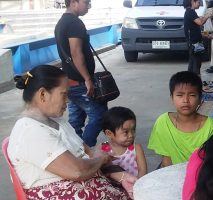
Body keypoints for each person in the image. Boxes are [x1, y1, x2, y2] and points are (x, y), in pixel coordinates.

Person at [9, 65, 136, 199]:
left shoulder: (57, 121)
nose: (68, 100)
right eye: (63, 94)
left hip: (91, 186)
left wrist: (120, 176)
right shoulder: (30, 131)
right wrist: (100, 158)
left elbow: (87, 152)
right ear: (43, 94)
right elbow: (77, 171)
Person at [55, 0, 107, 147]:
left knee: (75, 120)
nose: (88, 6)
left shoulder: (61, 23)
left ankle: (74, 150)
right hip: (80, 82)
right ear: (73, 2)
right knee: (100, 116)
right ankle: (85, 151)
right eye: (86, 2)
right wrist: (87, 78)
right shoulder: (75, 23)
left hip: (69, 81)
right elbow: (76, 53)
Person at [148, 71, 213, 168]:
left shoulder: (211, 127)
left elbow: (212, 163)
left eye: (192, 95)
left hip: (201, 176)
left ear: (200, 98)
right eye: (180, 95)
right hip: (172, 174)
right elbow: (166, 160)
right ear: (171, 98)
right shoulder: (163, 122)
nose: (185, 100)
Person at [99, 106, 148, 178]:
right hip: (112, 188)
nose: (131, 135)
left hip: (135, 185)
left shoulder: (136, 148)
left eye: (133, 130)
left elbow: (143, 171)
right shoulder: (102, 150)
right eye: (126, 132)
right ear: (109, 133)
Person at [184, 0, 213, 75]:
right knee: (196, 64)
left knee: (194, 63)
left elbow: (194, 28)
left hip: (194, 42)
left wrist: (204, 34)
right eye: (198, 2)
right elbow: (200, 22)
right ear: (192, 2)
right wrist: (207, 15)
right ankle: (195, 81)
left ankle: (192, 81)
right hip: (194, 43)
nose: (199, 3)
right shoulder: (190, 12)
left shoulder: (190, 12)